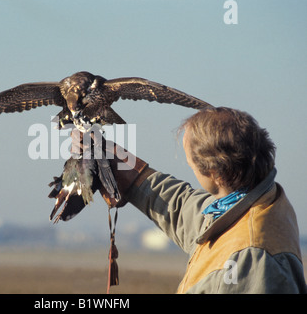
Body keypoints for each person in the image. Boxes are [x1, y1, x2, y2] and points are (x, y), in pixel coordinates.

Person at [80, 107, 306, 293]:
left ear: (215, 174)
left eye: (191, 163)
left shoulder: (250, 258)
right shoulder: (257, 203)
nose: (190, 168)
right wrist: (117, 161)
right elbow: (181, 207)